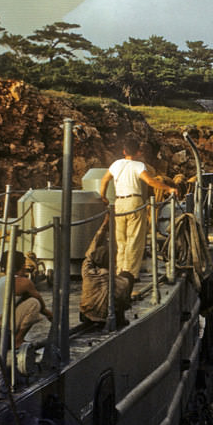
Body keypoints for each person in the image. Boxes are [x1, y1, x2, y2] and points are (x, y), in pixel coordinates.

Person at [98, 138, 171, 281]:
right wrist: (169, 188)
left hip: (119, 202)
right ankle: (130, 274)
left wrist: (103, 196)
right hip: (135, 202)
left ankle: (120, 271)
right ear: (138, 152)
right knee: (135, 239)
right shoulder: (139, 165)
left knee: (121, 239)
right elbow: (150, 181)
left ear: (124, 151)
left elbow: (105, 179)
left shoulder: (116, 164)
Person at [0, 250, 52, 348]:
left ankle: (8, 341)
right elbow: (41, 305)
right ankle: (17, 340)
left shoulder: (1, 281)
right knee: (34, 303)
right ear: (23, 265)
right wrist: (51, 316)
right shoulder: (24, 282)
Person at [80, 219, 133, 328]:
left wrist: (104, 224)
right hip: (107, 317)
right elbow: (122, 301)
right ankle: (120, 318)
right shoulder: (120, 282)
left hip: (87, 316)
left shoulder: (87, 272)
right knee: (128, 276)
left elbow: (91, 250)